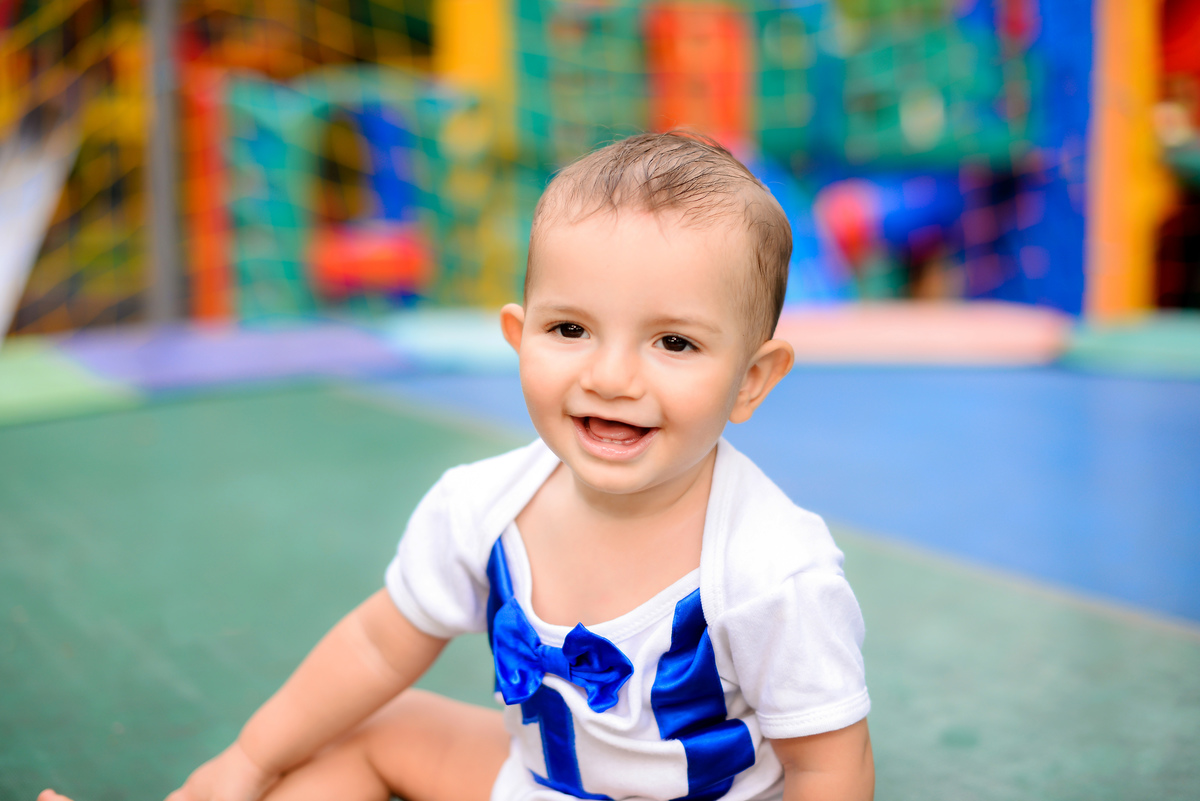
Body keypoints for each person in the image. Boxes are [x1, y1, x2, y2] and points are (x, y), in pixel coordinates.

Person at [41, 132, 873, 801]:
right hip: (538, 781)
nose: (611, 377)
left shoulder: (771, 566)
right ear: (519, 336)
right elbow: (375, 644)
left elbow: (829, 771)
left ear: (751, 380)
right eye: (571, 330)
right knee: (369, 730)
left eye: (675, 342)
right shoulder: (482, 505)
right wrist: (247, 763)